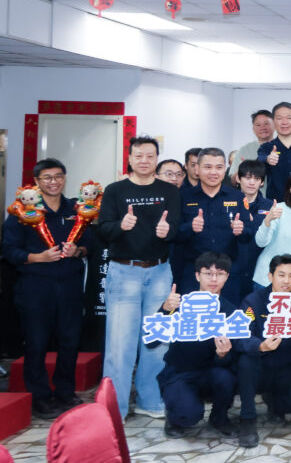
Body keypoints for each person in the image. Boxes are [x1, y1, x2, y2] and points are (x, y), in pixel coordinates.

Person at [96, 136, 181, 419]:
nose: (144, 160)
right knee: (120, 344)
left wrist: (167, 232)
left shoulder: (169, 191)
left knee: (157, 341)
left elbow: (176, 228)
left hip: (160, 271)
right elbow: (103, 230)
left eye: (150, 156)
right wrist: (120, 226)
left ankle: (150, 400)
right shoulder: (115, 190)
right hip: (124, 272)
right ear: (130, 159)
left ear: (157, 159)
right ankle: (115, 408)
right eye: (139, 156)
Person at [2, 158, 91, 418]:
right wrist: (36, 257)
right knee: (36, 343)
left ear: (65, 178)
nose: (54, 182)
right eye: (47, 177)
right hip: (35, 287)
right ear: (37, 181)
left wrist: (78, 250)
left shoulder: (77, 209)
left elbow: (91, 244)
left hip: (70, 287)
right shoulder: (23, 211)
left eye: (59, 176)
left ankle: (65, 391)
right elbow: (9, 250)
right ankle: (40, 397)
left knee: (70, 342)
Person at [237, 255, 291, 448]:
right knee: (245, 362)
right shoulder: (253, 301)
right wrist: (260, 346)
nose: (286, 281)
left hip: (285, 369)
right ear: (270, 276)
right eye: (281, 275)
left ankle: (275, 405)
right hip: (257, 367)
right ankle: (247, 420)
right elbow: (241, 337)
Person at [157, 252, 238, 438]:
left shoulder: (230, 311)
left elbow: (231, 358)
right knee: (189, 415)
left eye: (220, 274)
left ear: (227, 277)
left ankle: (219, 417)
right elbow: (152, 340)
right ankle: (175, 416)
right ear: (197, 276)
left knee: (228, 376)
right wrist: (165, 310)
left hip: (210, 373)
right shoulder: (178, 304)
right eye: (208, 273)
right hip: (180, 373)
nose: (214, 279)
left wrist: (223, 355)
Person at [177, 148, 254, 304]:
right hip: (194, 272)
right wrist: (190, 227)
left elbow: (248, 234)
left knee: (228, 315)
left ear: (225, 169)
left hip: (227, 272)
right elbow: (174, 234)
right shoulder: (184, 196)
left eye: (219, 167)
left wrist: (241, 231)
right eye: (208, 167)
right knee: (193, 316)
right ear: (197, 169)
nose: (213, 172)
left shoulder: (237, 196)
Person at [258, 102, 291, 202]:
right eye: (279, 118)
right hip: (276, 204)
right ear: (273, 121)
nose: (284, 122)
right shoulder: (266, 148)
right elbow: (259, 161)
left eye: (289, 118)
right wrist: (267, 159)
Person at [236, 159, 272, 298]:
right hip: (233, 268)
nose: (252, 182)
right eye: (247, 178)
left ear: (262, 182)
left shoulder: (270, 206)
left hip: (259, 270)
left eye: (256, 179)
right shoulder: (229, 203)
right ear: (238, 179)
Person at [229, 110, 274, 181]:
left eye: (266, 124)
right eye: (258, 125)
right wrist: (240, 172)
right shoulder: (244, 150)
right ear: (253, 129)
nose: (263, 127)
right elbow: (232, 180)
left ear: (275, 125)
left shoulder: (282, 147)